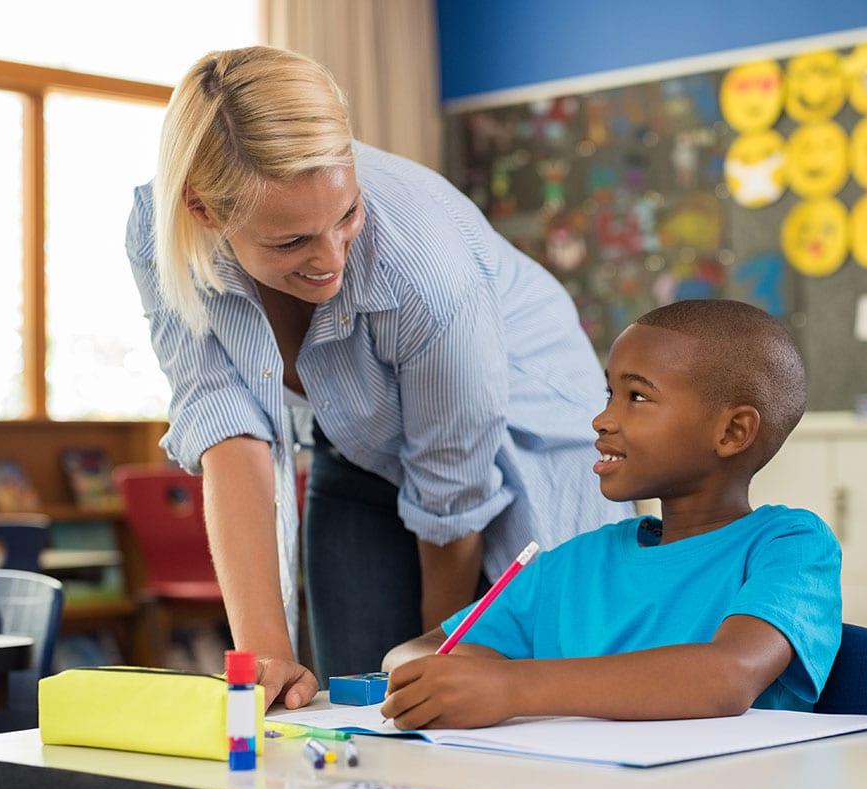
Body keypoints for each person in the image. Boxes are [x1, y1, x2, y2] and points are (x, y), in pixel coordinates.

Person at [124, 46, 629, 708]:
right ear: (203, 210)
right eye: (291, 243)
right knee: (347, 696)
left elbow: (453, 496)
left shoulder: (426, 268)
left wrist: (435, 651)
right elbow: (227, 431)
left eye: (347, 215)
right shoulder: (160, 233)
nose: (331, 259)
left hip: (522, 444)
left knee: (504, 702)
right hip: (358, 442)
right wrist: (266, 656)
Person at [380, 299, 842, 729]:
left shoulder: (790, 547)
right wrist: (448, 678)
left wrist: (512, 687)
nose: (602, 420)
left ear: (732, 431)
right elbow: (417, 653)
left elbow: (727, 676)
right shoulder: (576, 562)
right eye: (608, 394)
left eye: (637, 397)